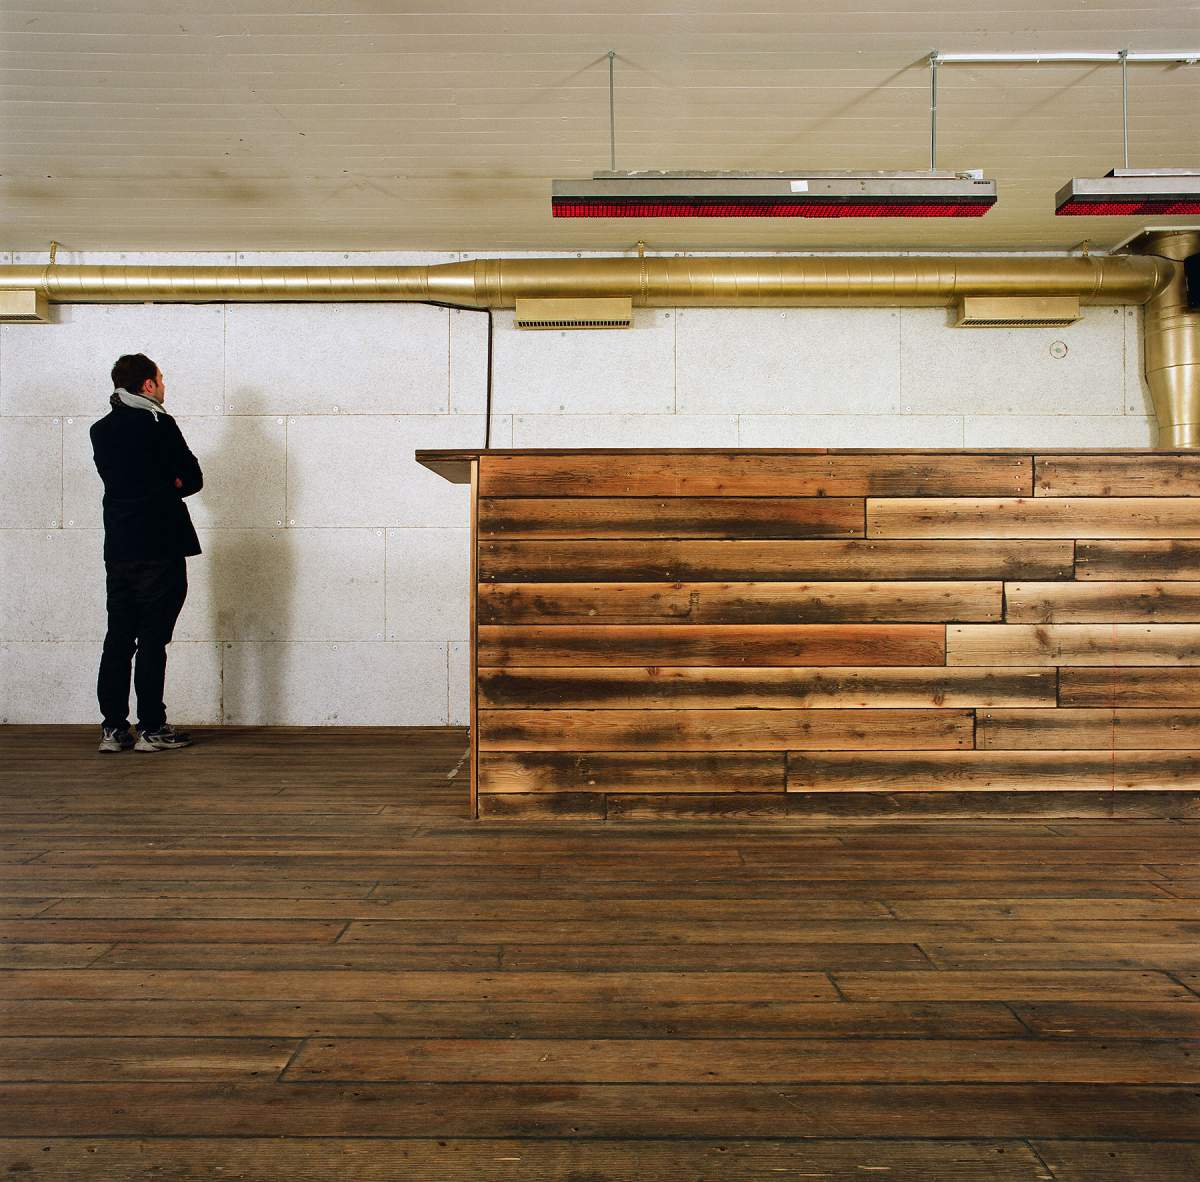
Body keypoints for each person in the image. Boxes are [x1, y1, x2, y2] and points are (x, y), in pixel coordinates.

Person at [91, 353, 203, 753]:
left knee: (119, 638)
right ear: (148, 385)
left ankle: (113, 729)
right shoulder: (159, 423)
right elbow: (192, 478)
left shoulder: (100, 430)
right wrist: (169, 483)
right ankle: (152, 728)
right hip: (160, 546)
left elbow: (121, 482)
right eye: (161, 379)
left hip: (119, 548)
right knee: (153, 640)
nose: (164, 386)